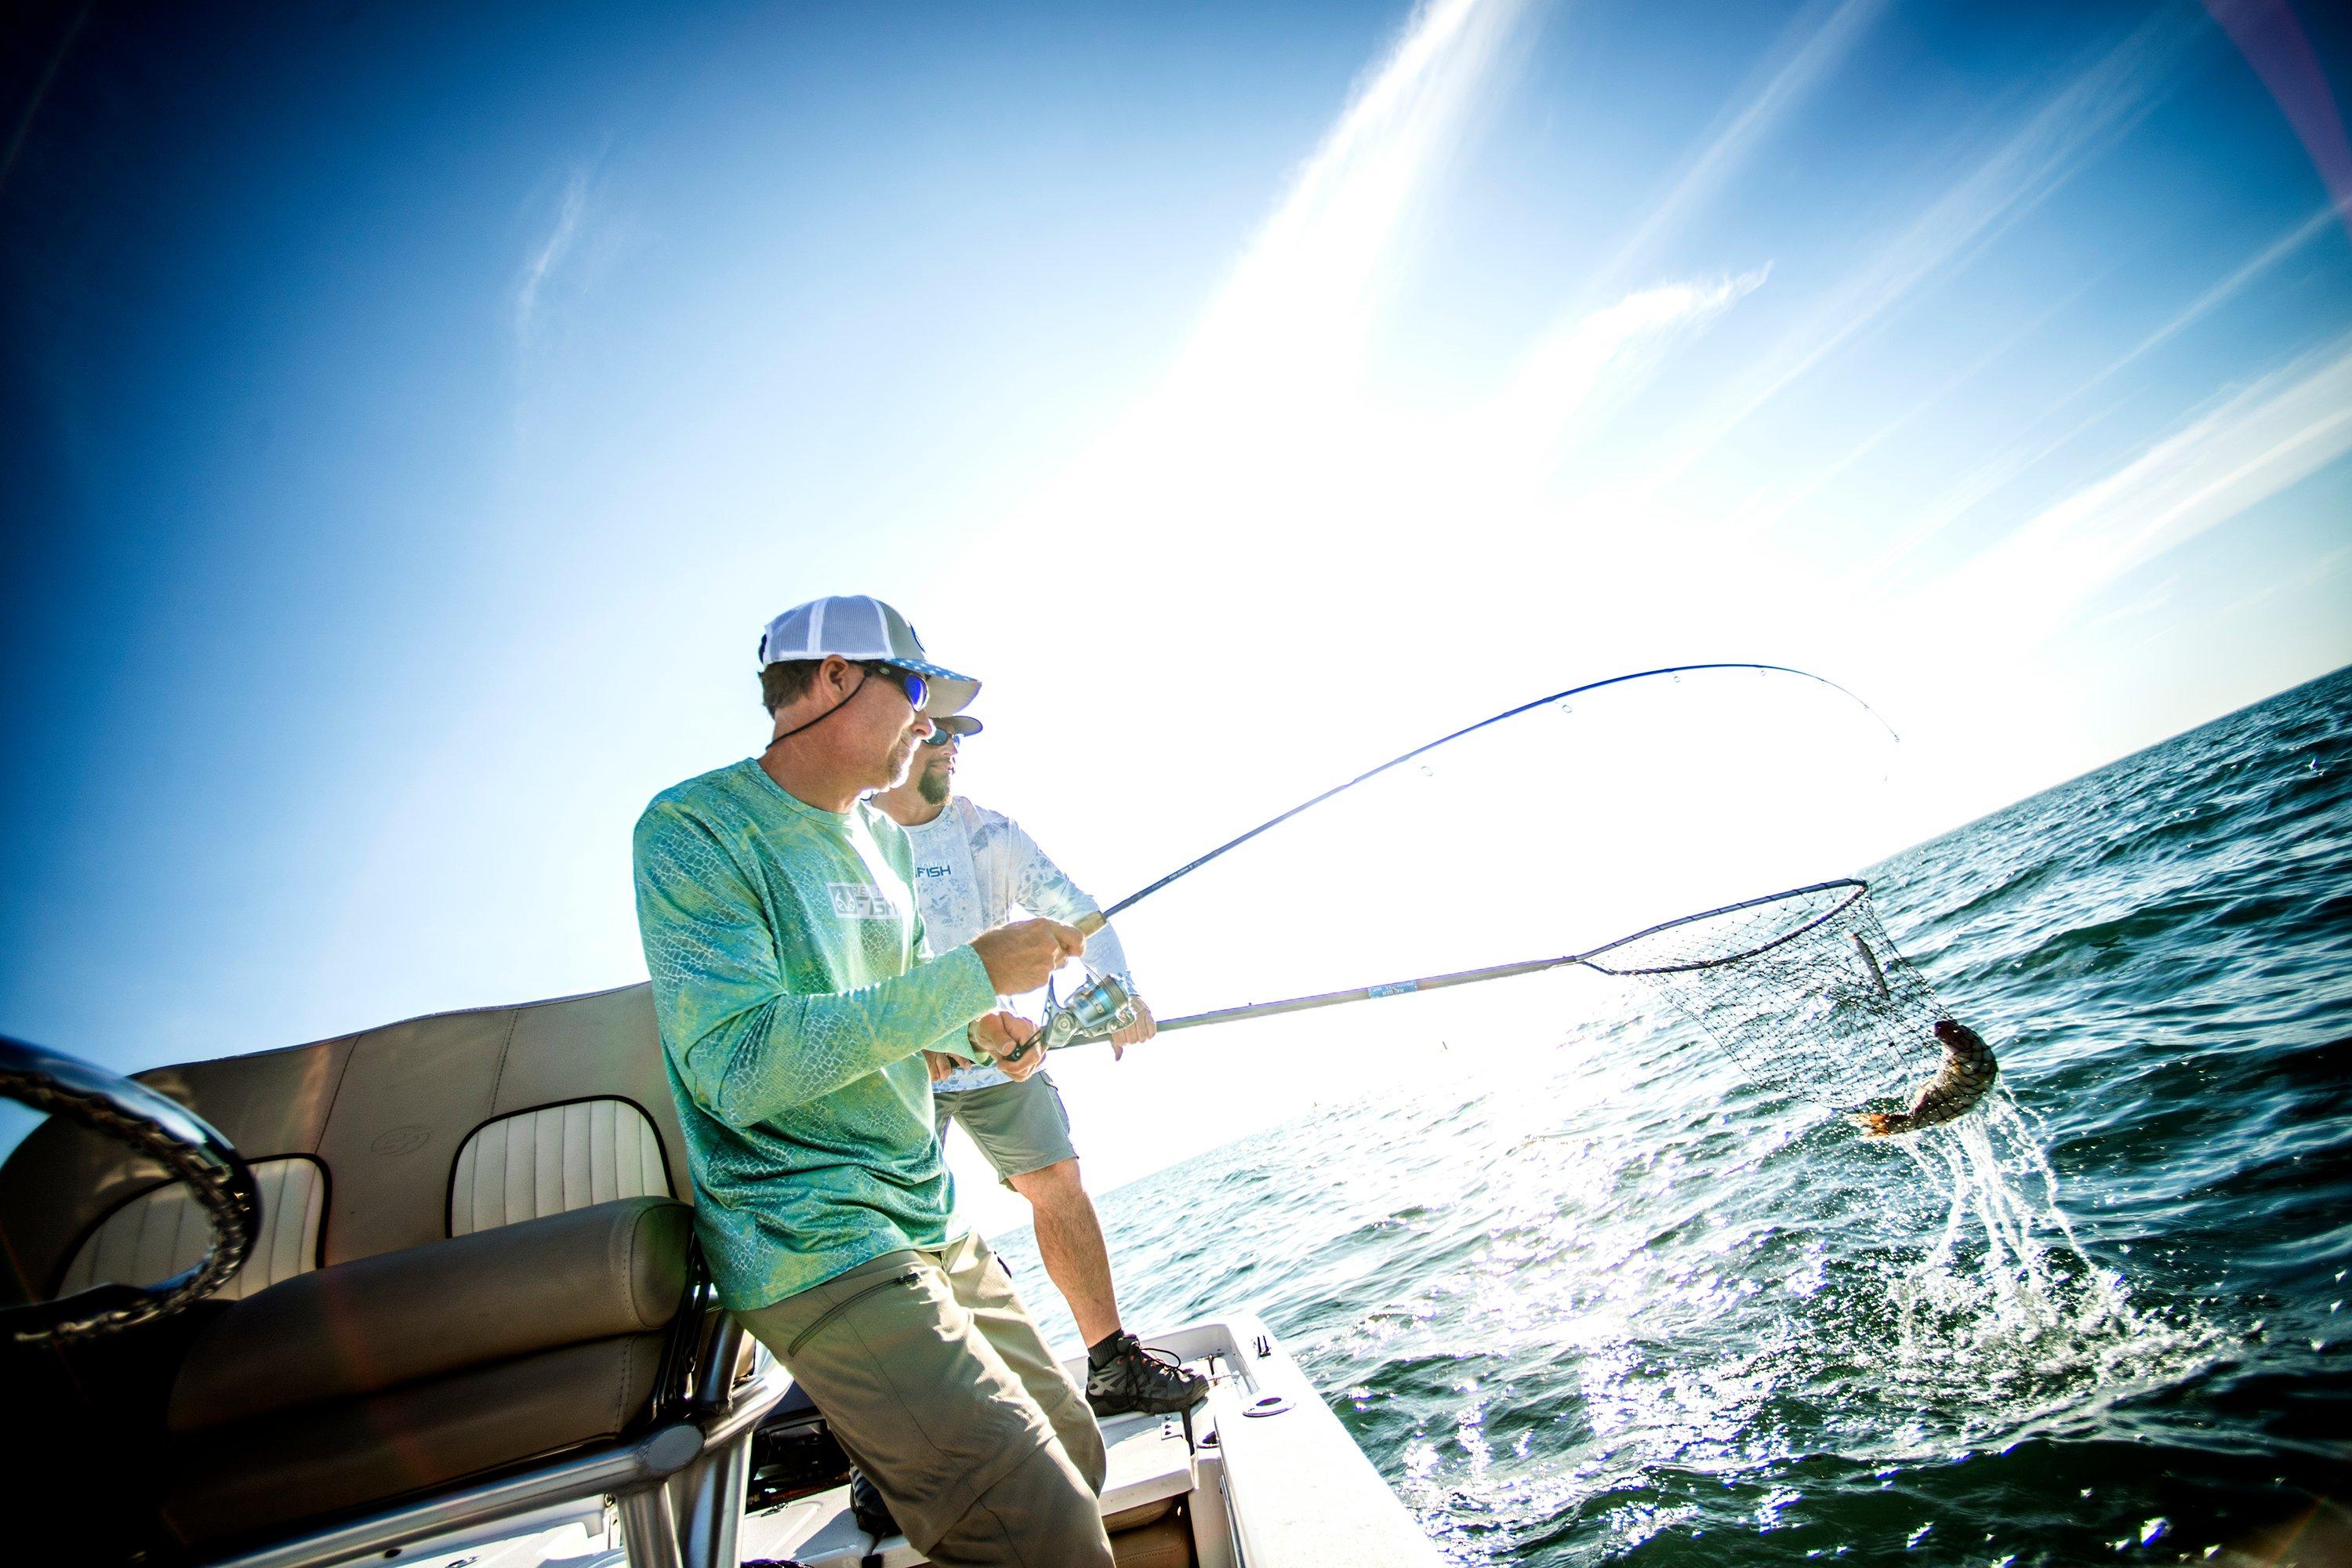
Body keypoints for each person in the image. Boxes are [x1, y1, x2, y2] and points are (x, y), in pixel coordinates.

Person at [632, 593, 1114, 1568]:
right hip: (811, 1234)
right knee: (1041, 1531)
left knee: (1081, 1456)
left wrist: (974, 1030)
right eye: (917, 689)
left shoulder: (885, 843)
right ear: (836, 677)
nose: (929, 722)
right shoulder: (693, 828)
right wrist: (974, 968)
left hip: (926, 1215)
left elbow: (897, 1015)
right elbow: (737, 1061)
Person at [873, 719, 1210, 1417]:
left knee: (1058, 1180)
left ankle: (1112, 1367)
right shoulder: (854, 841)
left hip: (1003, 1058)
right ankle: (898, 1438)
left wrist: (1122, 993)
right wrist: (912, 1041)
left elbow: (1086, 921)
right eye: (937, 730)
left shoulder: (992, 836)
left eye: (956, 735)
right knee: (892, 1231)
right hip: (897, 1068)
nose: (952, 746)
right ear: (898, 733)